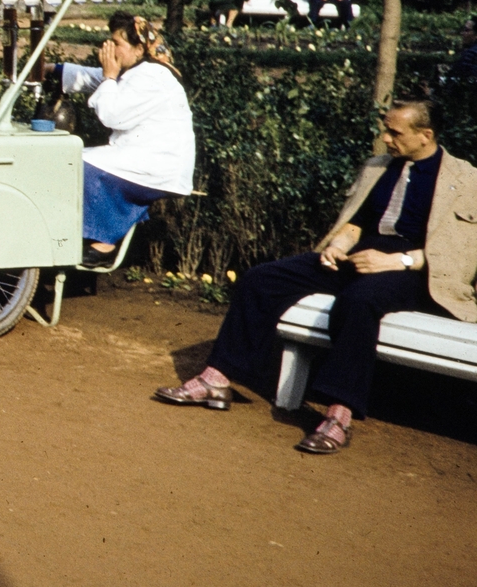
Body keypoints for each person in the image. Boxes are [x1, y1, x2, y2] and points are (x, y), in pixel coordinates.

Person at [156, 99, 477, 454]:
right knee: (261, 279)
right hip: (360, 257)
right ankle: (217, 378)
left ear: (425, 136)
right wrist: (339, 243)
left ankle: (339, 414)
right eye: (385, 129)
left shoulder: (465, 180)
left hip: (416, 272)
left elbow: (463, 255)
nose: (385, 138)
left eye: (394, 132)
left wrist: (397, 261)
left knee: (359, 301)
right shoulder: (378, 167)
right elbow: (357, 222)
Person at [56, 12, 195, 266]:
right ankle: (85, 234)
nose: (109, 49)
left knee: (79, 164)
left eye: (116, 44)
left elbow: (112, 115)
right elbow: (94, 78)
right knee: (75, 159)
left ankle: (104, 243)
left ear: (139, 48)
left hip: (158, 164)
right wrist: (55, 71)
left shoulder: (154, 77)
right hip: (142, 156)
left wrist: (109, 76)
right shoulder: (138, 70)